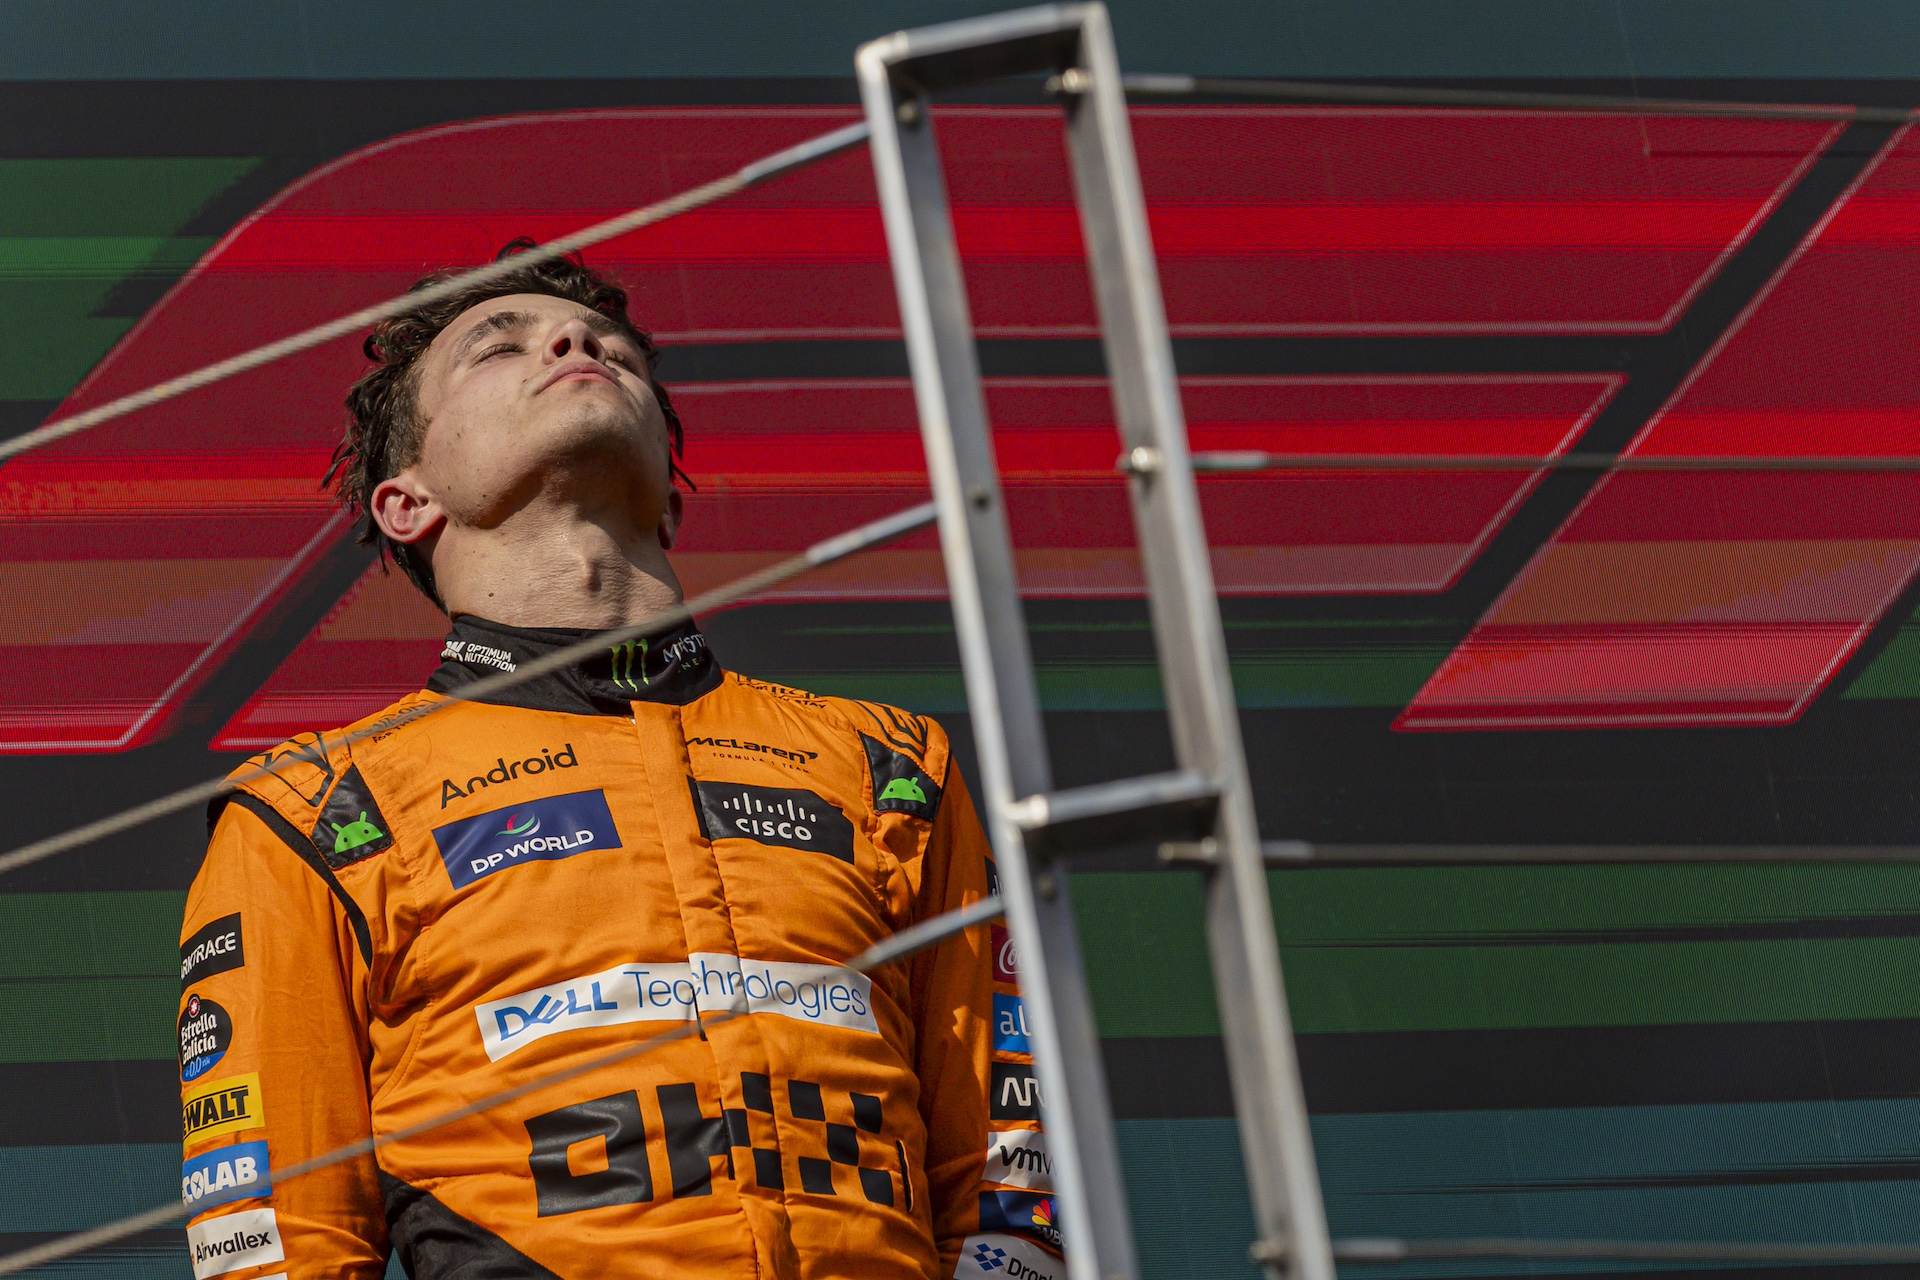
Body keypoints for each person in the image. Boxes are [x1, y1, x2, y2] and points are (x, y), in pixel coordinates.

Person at [175, 243, 1055, 1280]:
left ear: (669, 495)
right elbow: (281, 1241)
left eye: (610, 349)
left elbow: (1005, 1179)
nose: (572, 343)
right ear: (405, 502)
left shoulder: (888, 762)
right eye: (494, 349)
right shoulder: (314, 810)